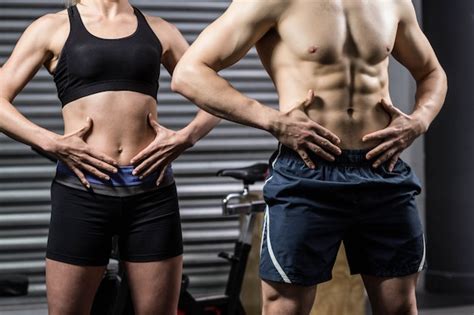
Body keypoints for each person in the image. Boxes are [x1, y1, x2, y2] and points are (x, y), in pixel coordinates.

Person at [171, 1, 447, 314]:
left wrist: (420, 119)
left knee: (399, 306)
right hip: (308, 171)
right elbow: (188, 73)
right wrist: (272, 120)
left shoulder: (393, 2)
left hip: (382, 169)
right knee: (284, 307)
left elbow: (431, 72)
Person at [0, 0, 220, 314]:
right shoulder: (53, 27)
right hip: (82, 193)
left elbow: (216, 95)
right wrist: (50, 142)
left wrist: (186, 137)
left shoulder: (160, 30)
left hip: (151, 194)